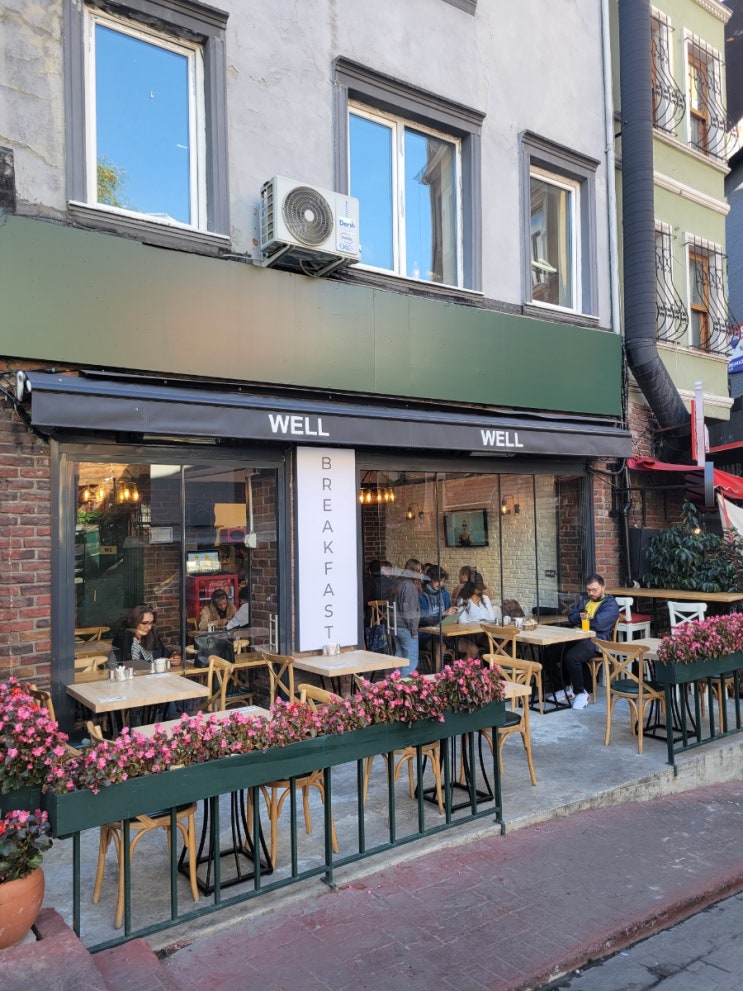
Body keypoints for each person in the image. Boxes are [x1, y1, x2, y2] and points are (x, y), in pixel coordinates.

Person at [561, 573, 619, 710]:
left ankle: (581, 693)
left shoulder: (610, 605)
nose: (591, 593)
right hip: (578, 637)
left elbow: (599, 624)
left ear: (603, 587)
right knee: (552, 650)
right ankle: (563, 689)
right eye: (589, 590)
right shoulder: (584, 600)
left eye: (594, 590)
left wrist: (582, 619)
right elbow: (571, 617)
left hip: (598, 641)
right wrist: (583, 618)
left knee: (572, 656)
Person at [418, 564, 458, 670]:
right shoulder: (421, 595)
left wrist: (453, 616)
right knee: (441, 647)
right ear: (430, 579)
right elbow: (422, 619)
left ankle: (458, 675)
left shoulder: (444, 594)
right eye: (437, 581)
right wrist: (443, 613)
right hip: (425, 635)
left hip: (444, 633)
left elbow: (448, 615)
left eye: (442, 581)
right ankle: (438, 677)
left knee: (472, 649)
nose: (440, 584)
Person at [111, 604, 172, 670]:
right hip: (121, 673)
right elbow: (129, 663)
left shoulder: (151, 633)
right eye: (144, 623)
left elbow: (163, 653)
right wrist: (153, 665)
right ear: (135, 622)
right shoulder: (123, 636)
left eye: (151, 623)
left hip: (149, 673)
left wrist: (173, 658)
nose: (149, 627)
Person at [392, 558, 425, 674]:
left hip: (396, 626)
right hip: (406, 628)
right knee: (411, 660)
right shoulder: (410, 587)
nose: (421, 573)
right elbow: (409, 612)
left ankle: (396, 683)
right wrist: (414, 631)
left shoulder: (399, 583)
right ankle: (404, 683)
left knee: (400, 658)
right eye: (420, 571)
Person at [455, 570, 496, 657]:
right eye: (478, 588)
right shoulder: (463, 601)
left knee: (500, 644)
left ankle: (493, 664)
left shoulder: (485, 598)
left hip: (485, 633)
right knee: (493, 645)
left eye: (481, 587)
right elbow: (462, 622)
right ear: (471, 587)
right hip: (471, 635)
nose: (481, 590)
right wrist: (480, 624)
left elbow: (492, 617)